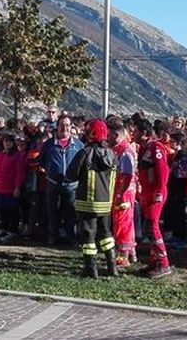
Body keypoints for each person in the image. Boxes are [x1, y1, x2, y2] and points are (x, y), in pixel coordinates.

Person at [66, 119, 119, 278]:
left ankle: (91, 269)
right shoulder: (111, 154)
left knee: (88, 236)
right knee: (106, 234)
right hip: (105, 204)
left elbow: (70, 175)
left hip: (87, 203)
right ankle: (112, 267)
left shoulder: (85, 152)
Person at [134, 118, 173, 278]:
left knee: (152, 226)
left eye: (136, 131)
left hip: (156, 193)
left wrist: (158, 192)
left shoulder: (155, 147)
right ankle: (154, 261)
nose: (133, 134)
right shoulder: (144, 148)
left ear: (144, 133)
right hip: (148, 193)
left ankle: (164, 263)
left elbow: (163, 171)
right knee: (149, 228)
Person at [38, 114, 83, 245]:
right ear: (57, 127)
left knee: (71, 213)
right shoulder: (49, 145)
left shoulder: (79, 145)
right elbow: (42, 161)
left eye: (68, 125)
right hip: (53, 184)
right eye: (62, 125)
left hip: (72, 186)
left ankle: (71, 238)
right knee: (53, 213)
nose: (65, 128)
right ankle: (53, 237)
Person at [108, 117, 138, 267]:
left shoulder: (125, 151)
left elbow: (127, 175)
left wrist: (120, 194)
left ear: (115, 134)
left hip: (124, 192)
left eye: (108, 135)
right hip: (119, 190)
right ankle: (131, 253)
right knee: (124, 221)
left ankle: (123, 256)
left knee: (123, 222)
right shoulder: (117, 149)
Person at [0, 135, 25, 242]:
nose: (7, 144)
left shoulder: (17, 156)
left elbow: (19, 173)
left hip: (11, 188)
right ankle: (3, 228)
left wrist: (17, 187)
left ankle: (13, 231)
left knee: (12, 210)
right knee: (2, 210)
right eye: (6, 141)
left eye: (10, 142)